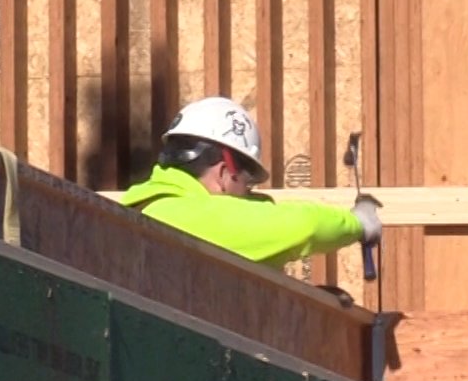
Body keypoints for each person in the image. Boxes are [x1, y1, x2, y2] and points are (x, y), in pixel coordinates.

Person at [119, 96, 382, 269]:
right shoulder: (183, 217)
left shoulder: (144, 208)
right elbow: (305, 226)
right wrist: (359, 224)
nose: (249, 195)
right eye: (248, 183)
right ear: (224, 172)